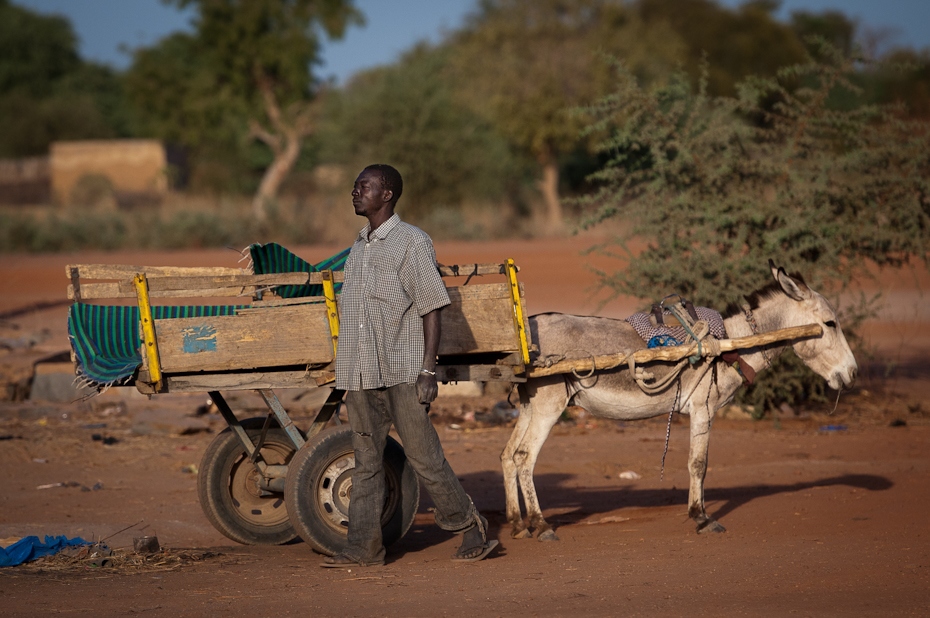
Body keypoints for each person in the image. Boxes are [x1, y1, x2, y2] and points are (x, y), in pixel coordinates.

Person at [321, 163, 498, 568]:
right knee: (366, 463)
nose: (354, 191)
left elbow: (432, 307)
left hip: (402, 373)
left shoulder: (412, 242)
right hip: (362, 375)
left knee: (425, 459)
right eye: (354, 186)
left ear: (387, 195)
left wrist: (428, 371)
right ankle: (363, 548)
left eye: (363, 186)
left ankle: (470, 529)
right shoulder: (359, 248)